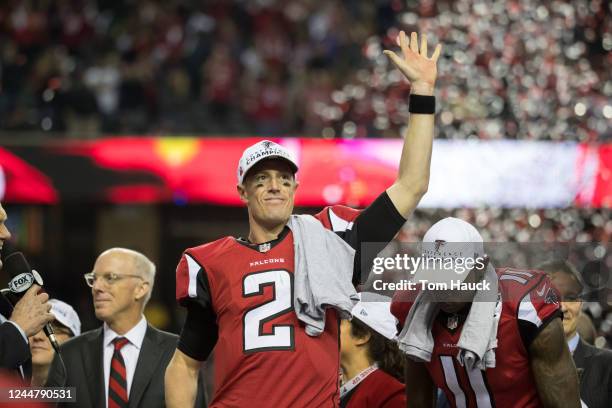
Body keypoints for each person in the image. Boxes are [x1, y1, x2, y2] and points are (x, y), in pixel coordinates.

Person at [165, 31, 442, 407]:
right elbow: (184, 364)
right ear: (242, 192)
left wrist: (422, 92)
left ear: (296, 187)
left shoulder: (332, 239)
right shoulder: (210, 262)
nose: (274, 187)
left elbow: (411, 186)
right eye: (261, 180)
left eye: (283, 179)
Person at [391, 217, 581, 407]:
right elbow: (419, 399)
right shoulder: (411, 308)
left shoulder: (525, 307)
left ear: (480, 267)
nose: (443, 287)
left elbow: (564, 403)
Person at [46, 248, 204, 408]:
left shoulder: (178, 354)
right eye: (94, 279)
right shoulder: (69, 354)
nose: (96, 287)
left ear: (140, 289)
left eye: (110, 278)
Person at [539, 259, 612, 408]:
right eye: (552, 298)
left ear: (581, 303)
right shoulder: (515, 364)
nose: (563, 307)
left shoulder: (608, 366)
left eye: (571, 298)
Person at [0, 202, 54, 380]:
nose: (6, 234)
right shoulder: (14, 323)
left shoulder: (4, 305)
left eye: (4, 223)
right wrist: (17, 328)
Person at [340, 292, 406, 408]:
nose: (327, 327)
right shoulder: (328, 384)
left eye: (338, 321)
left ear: (362, 335)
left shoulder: (391, 396)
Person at [30, 299, 81, 386]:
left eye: (53, 330)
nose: (38, 337)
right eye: (34, 328)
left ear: (73, 342)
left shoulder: (83, 395)